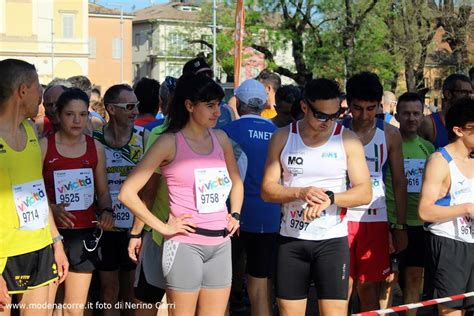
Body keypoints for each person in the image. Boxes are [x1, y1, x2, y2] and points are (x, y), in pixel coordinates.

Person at [118, 73, 243, 315]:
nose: (217, 112)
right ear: (189, 105)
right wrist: (161, 227)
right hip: (185, 245)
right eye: (209, 106)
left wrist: (235, 214)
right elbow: (127, 193)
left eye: (218, 104)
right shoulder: (169, 141)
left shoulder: (221, 138)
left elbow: (237, 182)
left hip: (221, 243)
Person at [261, 78, 372, 316]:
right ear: (304, 107)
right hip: (291, 240)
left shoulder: (348, 139)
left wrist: (330, 198)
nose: (328, 122)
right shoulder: (282, 137)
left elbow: (364, 192)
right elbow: (267, 190)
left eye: (335, 116)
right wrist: (300, 192)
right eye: (321, 115)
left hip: (331, 242)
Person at [0, 58, 68, 314]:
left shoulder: (30, 131)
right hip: (4, 255)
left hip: (39, 248)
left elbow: (37, 192)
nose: (42, 95)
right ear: (22, 91)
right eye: (38, 87)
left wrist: (57, 243)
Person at [40, 88, 114, 315]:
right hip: (50, 236)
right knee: (44, 307)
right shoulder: (44, 146)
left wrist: (107, 212)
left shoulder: (96, 148)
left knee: (74, 309)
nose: (77, 120)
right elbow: (33, 192)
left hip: (84, 235)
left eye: (83, 114)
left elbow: (103, 192)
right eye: (70, 114)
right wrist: (51, 209)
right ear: (58, 115)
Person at [343, 72, 408, 312]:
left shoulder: (389, 134)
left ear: (379, 105)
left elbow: (399, 182)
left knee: (368, 288)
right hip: (341, 218)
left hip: (375, 219)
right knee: (342, 288)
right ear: (348, 104)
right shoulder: (336, 132)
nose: (364, 116)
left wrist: (399, 227)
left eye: (371, 109)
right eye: (358, 108)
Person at [221, 79, 279, 316]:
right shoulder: (277, 133)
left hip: (230, 217)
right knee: (259, 284)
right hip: (268, 216)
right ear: (264, 103)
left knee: (221, 284)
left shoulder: (225, 132)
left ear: (238, 102)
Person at [93, 84, 147, 316]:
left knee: (129, 292)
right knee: (108, 290)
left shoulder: (143, 139)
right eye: (129, 106)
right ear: (112, 109)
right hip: (105, 224)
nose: (135, 111)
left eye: (137, 106)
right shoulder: (94, 140)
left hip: (134, 226)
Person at [418, 97, 474, 316]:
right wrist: (467, 208)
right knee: (451, 311)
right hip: (449, 244)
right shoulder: (439, 161)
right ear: (459, 131)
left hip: (471, 242)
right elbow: (425, 211)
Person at [380, 92, 435, 313]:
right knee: (387, 280)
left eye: (416, 114)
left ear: (422, 116)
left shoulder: (428, 148)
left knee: (414, 278)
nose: (411, 118)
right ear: (397, 114)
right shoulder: (386, 144)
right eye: (406, 114)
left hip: (418, 223)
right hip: (391, 220)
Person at [418, 74, 472, 148]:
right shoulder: (429, 124)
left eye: (470, 93)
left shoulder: (470, 125)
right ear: (448, 94)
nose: (469, 96)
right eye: (464, 92)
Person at [182, 57, 235, 128]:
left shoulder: (226, 110)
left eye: (209, 74)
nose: (207, 77)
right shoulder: (177, 112)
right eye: (201, 75)